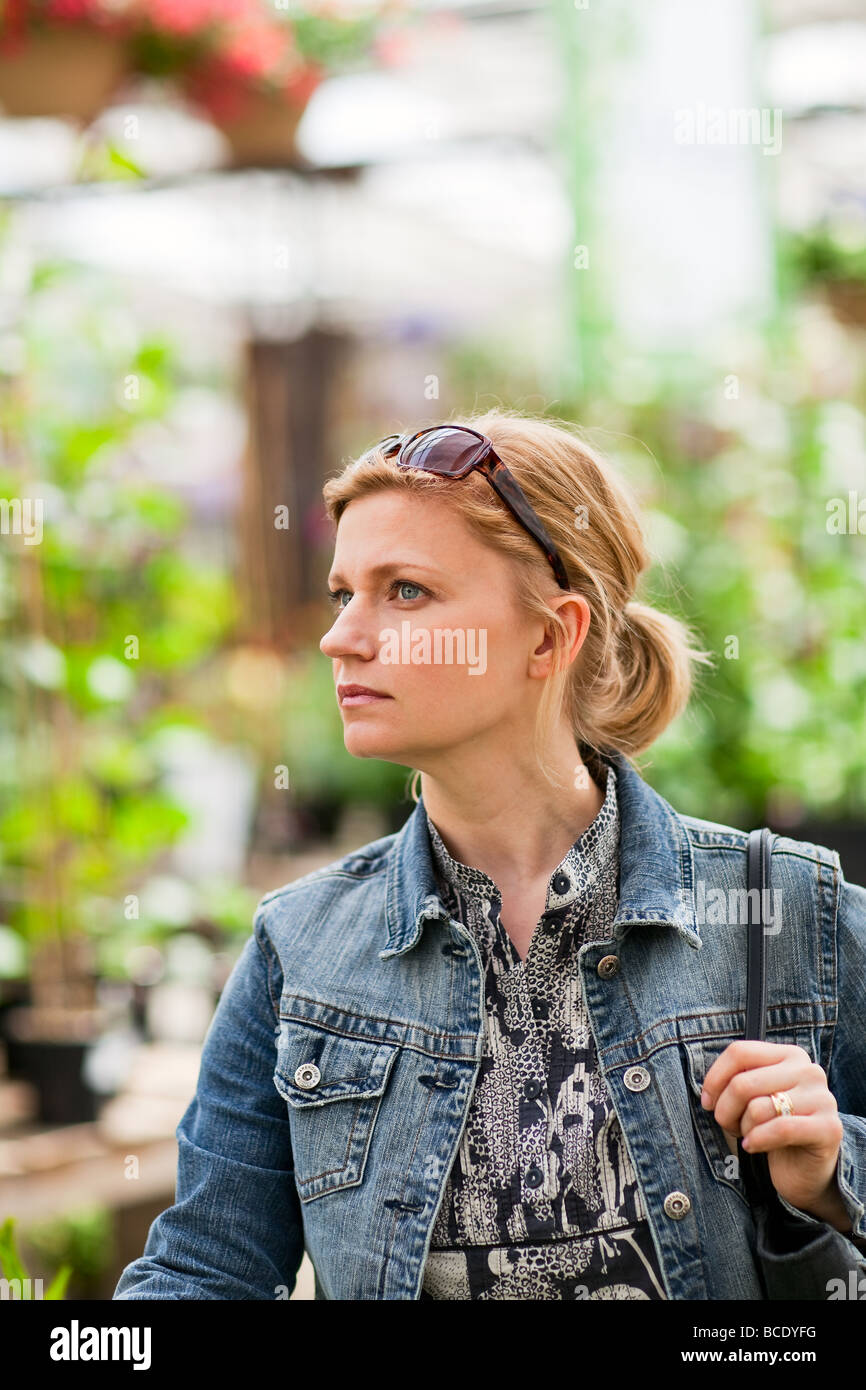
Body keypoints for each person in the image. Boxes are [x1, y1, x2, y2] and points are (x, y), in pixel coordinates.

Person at [114, 408, 866, 1300]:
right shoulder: (300, 949)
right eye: (342, 593)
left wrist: (835, 1168)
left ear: (550, 637)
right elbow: (205, 1271)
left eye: (405, 592)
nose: (341, 637)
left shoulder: (786, 909)